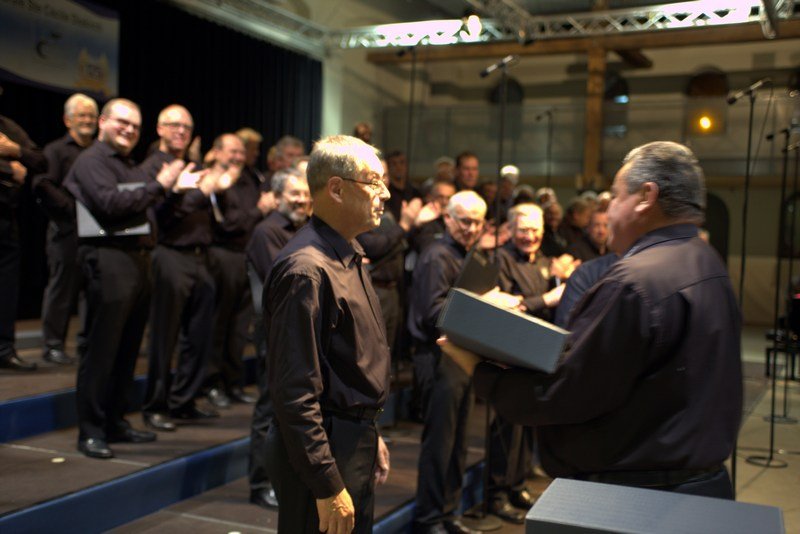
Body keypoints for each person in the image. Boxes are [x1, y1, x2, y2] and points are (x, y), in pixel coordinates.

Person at [443, 141, 742, 500]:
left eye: (615, 197)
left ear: (646, 196)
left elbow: (568, 392)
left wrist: (481, 371)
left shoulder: (636, 281)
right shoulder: (707, 260)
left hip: (639, 492)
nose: (608, 210)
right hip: (697, 483)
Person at [263, 135, 391, 533]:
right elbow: (295, 391)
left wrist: (369, 433)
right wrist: (326, 482)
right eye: (374, 181)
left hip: (351, 439)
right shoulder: (307, 270)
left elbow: (347, 368)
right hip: (326, 449)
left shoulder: (347, 253)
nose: (385, 193)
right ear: (336, 189)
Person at [64, 98, 187, 458]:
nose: (129, 129)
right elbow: (110, 204)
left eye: (135, 125)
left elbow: (141, 205)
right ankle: (91, 430)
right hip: (109, 259)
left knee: (127, 348)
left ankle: (115, 421)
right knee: (101, 349)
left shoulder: (128, 164)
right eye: (122, 122)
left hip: (136, 260)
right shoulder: (91, 161)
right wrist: (159, 185)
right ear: (103, 122)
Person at [409, 190, 491, 534]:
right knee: (440, 444)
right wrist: (485, 307)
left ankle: (448, 513)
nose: (470, 228)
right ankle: (429, 519)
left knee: (458, 444)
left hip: (461, 355)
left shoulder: (468, 254)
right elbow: (433, 313)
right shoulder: (436, 255)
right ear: (447, 219)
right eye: (464, 221)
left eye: (477, 222)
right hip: (437, 355)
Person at [140, 105, 219, 431]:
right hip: (170, 253)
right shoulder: (151, 167)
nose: (181, 131)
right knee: (164, 336)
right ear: (160, 129)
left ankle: (183, 401)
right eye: (174, 125)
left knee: (199, 336)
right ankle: (155, 405)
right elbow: (157, 215)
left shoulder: (194, 166)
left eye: (186, 126)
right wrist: (196, 194)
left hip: (201, 256)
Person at [488, 203, 565, 524]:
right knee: (505, 427)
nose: (530, 236)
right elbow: (505, 306)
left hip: (535, 353)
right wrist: (544, 300)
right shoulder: (500, 259)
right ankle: (497, 494)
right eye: (523, 230)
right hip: (508, 354)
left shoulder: (543, 260)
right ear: (510, 229)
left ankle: (517, 484)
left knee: (526, 426)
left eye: (535, 230)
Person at [247, 166, 312, 510]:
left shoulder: (305, 229)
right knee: (269, 409)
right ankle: (260, 484)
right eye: (294, 193)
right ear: (276, 198)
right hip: (274, 331)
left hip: (297, 330)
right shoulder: (267, 231)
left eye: (305, 194)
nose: (301, 200)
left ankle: (283, 480)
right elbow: (286, 281)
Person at [206, 133, 272, 408]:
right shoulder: (215, 181)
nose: (237, 157)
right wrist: (259, 210)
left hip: (247, 257)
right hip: (223, 256)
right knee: (218, 325)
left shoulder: (250, 179)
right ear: (217, 152)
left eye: (240, 152)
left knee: (240, 327)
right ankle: (212, 385)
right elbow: (228, 224)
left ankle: (233, 383)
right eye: (231, 151)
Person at [34, 93, 98, 366]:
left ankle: (87, 342)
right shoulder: (56, 150)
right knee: (62, 289)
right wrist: (71, 209)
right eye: (82, 115)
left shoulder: (99, 152)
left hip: (96, 232)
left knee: (93, 289)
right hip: (66, 230)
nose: (87, 120)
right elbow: (42, 184)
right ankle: (52, 345)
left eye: (92, 116)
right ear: (67, 120)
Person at [0, 103, 47, 371]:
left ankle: (4, 350)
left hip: (6, 216)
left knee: (6, 287)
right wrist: (11, 170)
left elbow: (40, 160)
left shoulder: (8, 127)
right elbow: (20, 170)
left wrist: (14, 150)